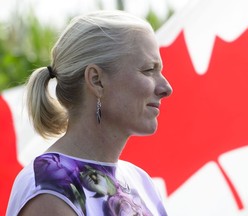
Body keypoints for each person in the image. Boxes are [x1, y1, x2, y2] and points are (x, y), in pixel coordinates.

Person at [6, 10, 172, 216]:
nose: (166, 88)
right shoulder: (50, 191)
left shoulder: (140, 181)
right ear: (96, 80)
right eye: (149, 70)